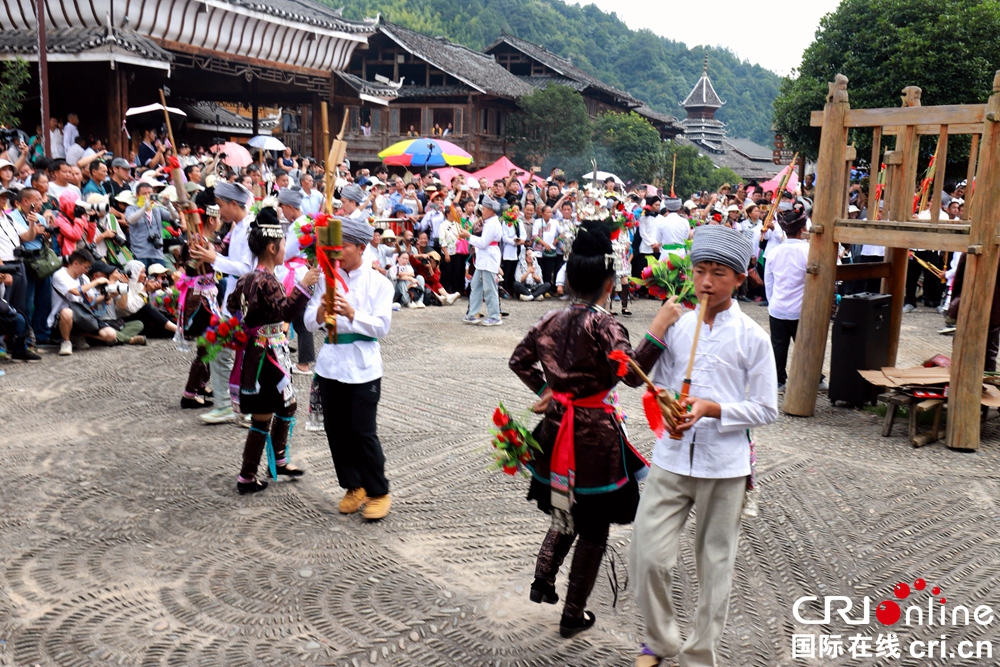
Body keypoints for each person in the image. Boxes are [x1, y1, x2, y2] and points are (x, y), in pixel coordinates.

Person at [509, 223, 681, 639]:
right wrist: (658, 326)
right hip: (594, 437)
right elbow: (633, 375)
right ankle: (573, 612)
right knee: (595, 527)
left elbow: (519, 360)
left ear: (568, 279)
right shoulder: (606, 326)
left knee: (564, 507)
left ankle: (543, 579)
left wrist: (549, 390)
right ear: (609, 283)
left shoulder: (550, 318)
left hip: (555, 430)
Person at [631, 224, 778, 667]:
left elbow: (767, 409)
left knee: (715, 567)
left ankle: (700, 655)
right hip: (671, 459)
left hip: (725, 465)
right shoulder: (677, 324)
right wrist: (668, 404)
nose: (707, 282)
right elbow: (652, 383)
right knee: (648, 556)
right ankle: (660, 641)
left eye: (718, 273)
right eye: (700, 271)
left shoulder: (753, 337)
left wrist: (713, 408)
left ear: (739, 278)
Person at [304, 216, 394, 520]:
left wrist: (353, 313)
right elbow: (306, 322)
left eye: (343, 245)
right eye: (334, 245)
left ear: (361, 246)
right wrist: (320, 309)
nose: (337, 250)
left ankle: (378, 491)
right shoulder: (327, 278)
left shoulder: (379, 283)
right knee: (336, 430)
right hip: (331, 365)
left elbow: (381, 327)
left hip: (363, 367)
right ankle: (353, 486)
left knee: (362, 431)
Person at [227, 207, 319, 494]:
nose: (284, 251)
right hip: (265, 355)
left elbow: (232, 304)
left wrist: (253, 322)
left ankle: (278, 460)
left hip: (264, 350)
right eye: (282, 247)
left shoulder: (248, 278)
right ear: (271, 247)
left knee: (286, 405)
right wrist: (303, 286)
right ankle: (246, 476)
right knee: (264, 414)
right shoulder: (266, 280)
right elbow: (285, 311)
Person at [189, 182, 256, 424]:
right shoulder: (236, 228)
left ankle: (240, 405)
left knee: (240, 354)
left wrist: (215, 258)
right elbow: (230, 261)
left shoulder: (250, 228)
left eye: (220, 205)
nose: (219, 211)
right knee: (218, 349)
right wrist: (212, 254)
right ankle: (225, 404)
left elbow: (247, 269)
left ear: (234, 204)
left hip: (246, 301)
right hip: (232, 299)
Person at [765, 207, 813, 392]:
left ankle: (779, 380)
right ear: (802, 229)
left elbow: (769, 283)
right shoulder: (809, 251)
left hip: (777, 306)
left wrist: (772, 302)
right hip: (800, 308)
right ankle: (810, 379)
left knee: (778, 345)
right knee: (804, 346)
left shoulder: (774, 252)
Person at [48, 248, 120, 355]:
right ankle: (66, 342)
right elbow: (76, 292)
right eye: (85, 267)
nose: (87, 270)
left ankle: (78, 334)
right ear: (76, 263)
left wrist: (106, 297)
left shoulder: (84, 279)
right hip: (62, 318)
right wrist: (95, 282)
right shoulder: (60, 275)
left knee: (111, 335)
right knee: (67, 312)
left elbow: (91, 301)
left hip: (81, 316)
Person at [460, 194, 502, 326]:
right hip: (483, 258)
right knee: (475, 285)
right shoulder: (489, 222)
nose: (481, 211)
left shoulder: (492, 224)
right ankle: (472, 314)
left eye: (483, 209)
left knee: (489, 288)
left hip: (489, 257)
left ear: (490, 210)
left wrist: (468, 236)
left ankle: (495, 316)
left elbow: (483, 243)